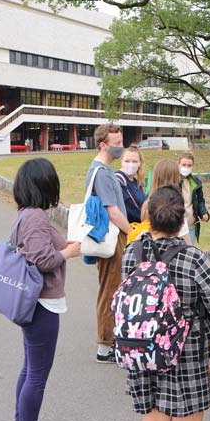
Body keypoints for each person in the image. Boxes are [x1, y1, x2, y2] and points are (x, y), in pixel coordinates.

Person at [121, 186, 210, 421]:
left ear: (149, 218)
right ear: (181, 223)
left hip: (142, 347)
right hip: (186, 347)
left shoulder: (132, 252)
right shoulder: (193, 258)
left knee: (154, 418)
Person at [9, 158, 83, 421]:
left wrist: (66, 247)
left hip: (33, 303)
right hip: (42, 303)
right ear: (45, 184)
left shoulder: (26, 214)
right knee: (36, 374)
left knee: (30, 369)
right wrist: (69, 253)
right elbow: (42, 259)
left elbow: (41, 250)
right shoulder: (36, 217)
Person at [86, 124, 131, 364]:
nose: (120, 147)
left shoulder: (103, 170)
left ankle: (110, 342)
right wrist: (131, 231)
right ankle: (105, 346)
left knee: (111, 289)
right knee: (111, 290)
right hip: (113, 237)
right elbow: (112, 211)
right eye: (115, 143)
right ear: (103, 144)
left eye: (121, 141)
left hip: (111, 237)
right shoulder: (102, 172)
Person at [178, 152, 210, 245]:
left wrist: (204, 213)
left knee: (189, 255)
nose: (186, 167)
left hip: (191, 226)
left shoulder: (196, 182)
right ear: (178, 164)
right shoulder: (172, 181)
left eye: (189, 165)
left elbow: (200, 201)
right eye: (183, 165)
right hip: (175, 227)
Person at [115, 145, 147, 223]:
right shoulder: (118, 181)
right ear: (121, 161)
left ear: (140, 163)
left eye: (135, 161)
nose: (131, 164)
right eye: (127, 161)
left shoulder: (137, 182)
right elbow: (129, 210)